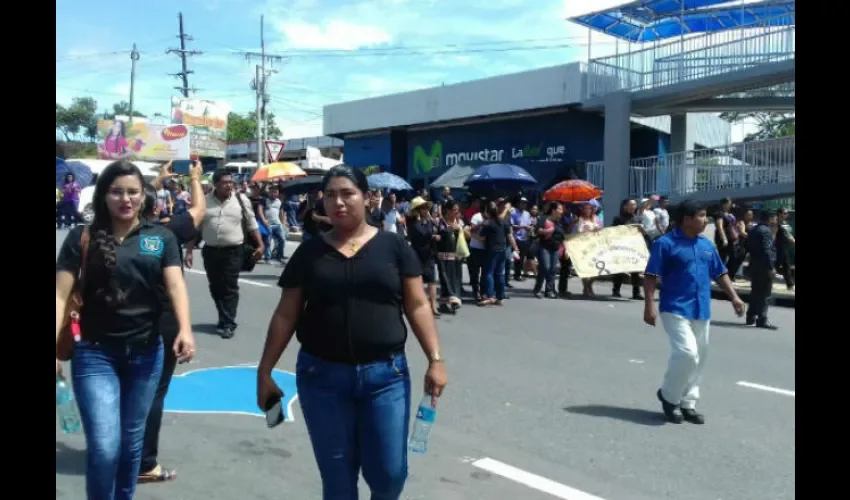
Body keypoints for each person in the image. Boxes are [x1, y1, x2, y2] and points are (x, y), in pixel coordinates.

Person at [257, 165, 447, 500]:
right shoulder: (310, 252)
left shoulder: (394, 247)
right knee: (339, 483)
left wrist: (435, 358)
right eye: (330, 195)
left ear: (367, 197)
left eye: (347, 193)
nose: (338, 202)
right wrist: (265, 371)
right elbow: (286, 314)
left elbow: (417, 306)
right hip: (322, 378)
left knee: (390, 476)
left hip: (385, 377)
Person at [55, 160, 196, 500]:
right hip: (94, 354)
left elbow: (176, 286)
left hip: (147, 353)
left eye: (133, 191)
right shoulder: (82, 237)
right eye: (116, 191)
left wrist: (185, 330)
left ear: (144, 196)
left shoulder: (160, 238)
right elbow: (59, 296)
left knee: (132, 442)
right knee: (105, 447)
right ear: (104, 195)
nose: (125, 199)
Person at [643, 200, 745, 425]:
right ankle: (669, 396)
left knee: (700, 358)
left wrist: (735, 297)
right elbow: (651, 275)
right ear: (686, 219)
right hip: (675, 307)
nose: (705, 220)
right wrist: (648, 304)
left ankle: (688, 402)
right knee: (687, 354)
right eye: (701, 215)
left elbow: (720, 273)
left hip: (701, 308)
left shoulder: (706, 245)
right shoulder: (665, 244)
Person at [139, 160, 207, 483]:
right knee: (154, 393)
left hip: (117, 324)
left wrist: (157, 180)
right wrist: (194, 177)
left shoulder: (111, 232)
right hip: (161, 323)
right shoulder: (166, 231)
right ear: (157, 208)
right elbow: (199, 209)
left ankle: (119, 451)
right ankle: (144, 462)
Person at [185, 169, 264, 339]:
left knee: (229, 287)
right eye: (225, 182)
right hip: (211, 251)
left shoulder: (241, 200)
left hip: (234, 251)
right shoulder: (204, 202)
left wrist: (261, 244)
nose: (229, 185)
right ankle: (223, 317)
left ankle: (228, 323)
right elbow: (195, 228)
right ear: (215, 184)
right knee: (215, 287)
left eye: (231, 182)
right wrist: (189, 251)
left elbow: (252, 223)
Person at [745, 211, 778, 330]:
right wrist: (771, 267)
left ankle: (750, 316)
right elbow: (767, 251)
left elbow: (747, 246)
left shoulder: (754, 230)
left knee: (755, 291)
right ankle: (762, 318)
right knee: (765, 293)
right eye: (774, 218)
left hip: (754, 264)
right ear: (769, 219)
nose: (775, 221)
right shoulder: (766, 231)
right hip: (764, 266)